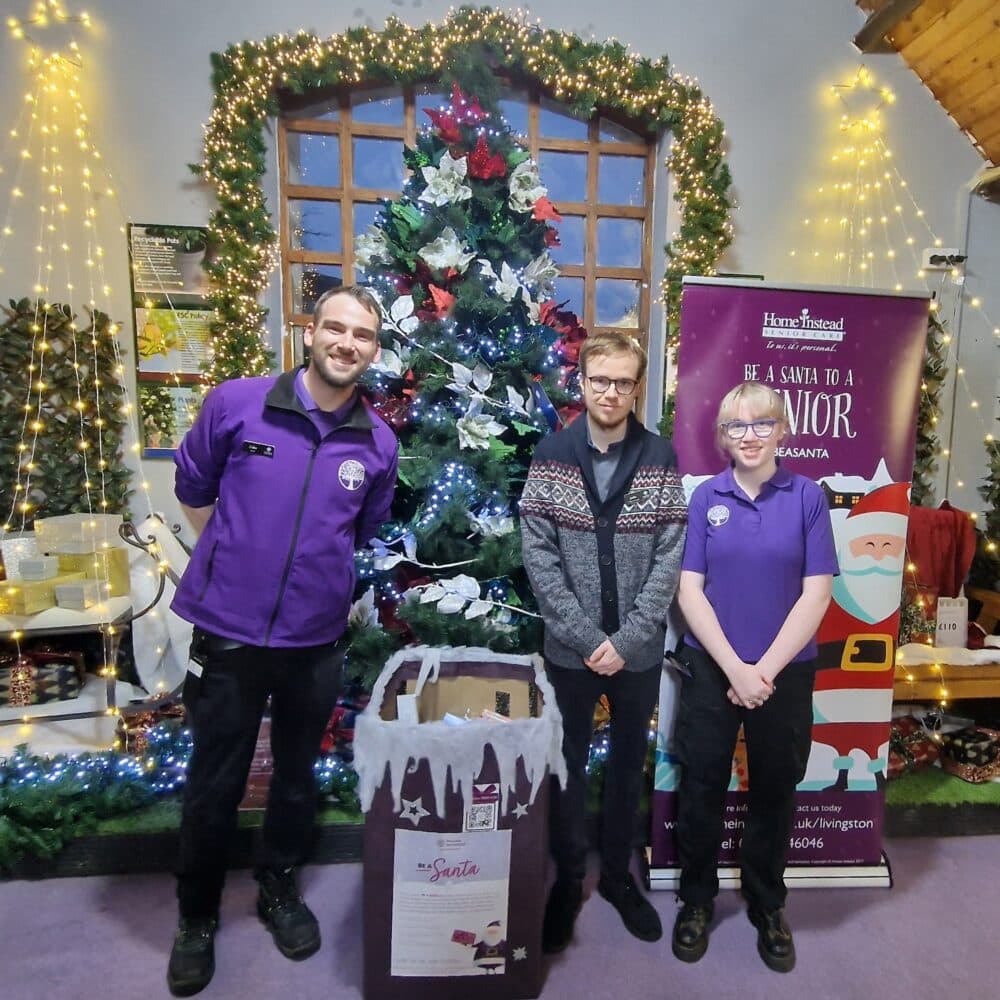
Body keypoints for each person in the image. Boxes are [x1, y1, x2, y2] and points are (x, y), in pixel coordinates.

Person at [166, 286, 398, 997]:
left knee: (296, 780)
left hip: (315, 642)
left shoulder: (378, 442)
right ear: (310, 332)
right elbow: (192, 487)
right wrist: (233, 562)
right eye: (335, 327)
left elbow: (359, 533)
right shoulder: (237, 404)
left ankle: (277, 886)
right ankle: (197, 918)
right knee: (215, 784)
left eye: (362, 335)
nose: (346, 343)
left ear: (375, 350)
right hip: (230, 634)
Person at [520, 331, 687, 953]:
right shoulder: (552, 454)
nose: (610, 392)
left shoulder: (660, 457)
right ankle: (567, 879)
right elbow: (538, 554)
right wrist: (589, 638)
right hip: (571, 652)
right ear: (582, 382)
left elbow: (670, 555)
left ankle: (617, 877)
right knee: (565, 766)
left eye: (622, 382)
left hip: (638, 653)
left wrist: (631, 636)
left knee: (624, 769)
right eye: (599, 380)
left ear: (636, 387)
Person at [671, 381, 837, 973]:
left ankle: (768, 903)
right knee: (702, 788)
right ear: (722, 435)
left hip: (782, 675)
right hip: (713, 667)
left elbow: (817, 595)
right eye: (736, 425)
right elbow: (689, 590)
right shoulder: (704, 499)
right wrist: (734, 669)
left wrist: (760, 672)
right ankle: (695, 901)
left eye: (761, 423)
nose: (749, 435)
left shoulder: (808, 497)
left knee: (775, 789)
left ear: (782, 430)